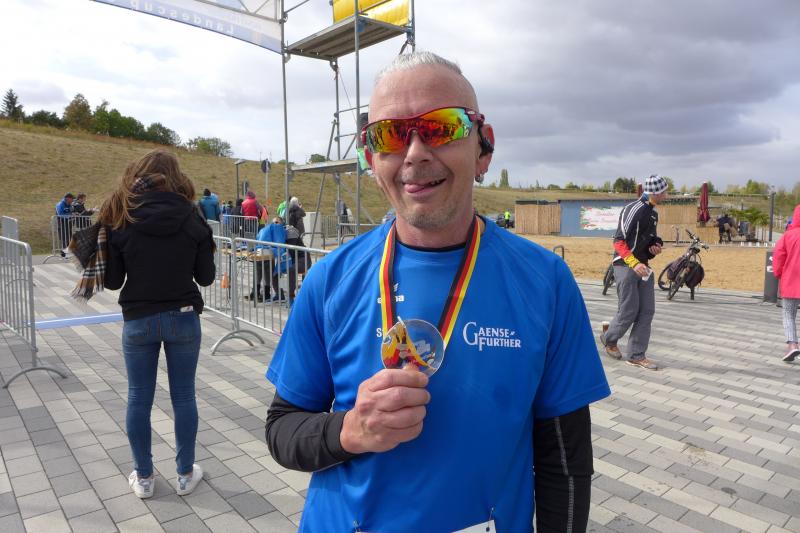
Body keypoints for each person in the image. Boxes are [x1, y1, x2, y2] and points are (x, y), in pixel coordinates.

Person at [264, 51, 610, 532]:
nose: (414, 153)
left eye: (441, 127)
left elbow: (565, 460)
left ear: (483, 149)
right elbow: (282, 428)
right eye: (389, 134)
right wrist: (350, 429)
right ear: (371, 159)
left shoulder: (546, 281)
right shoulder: (329, 280)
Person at [99, 149, 215, 499]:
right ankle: (185, 474)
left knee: (138, 398)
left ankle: (144, 478)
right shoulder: (192, 216)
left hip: (139, 318)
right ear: (176, 177)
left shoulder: (123, 216)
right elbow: (206, 277)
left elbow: (112, 281)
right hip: (183, 316)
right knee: (184, 396)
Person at [599, 174, 668, 370]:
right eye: (664, 192)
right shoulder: (633, 209)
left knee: (647, 311)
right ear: (654, 192)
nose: (666, 195)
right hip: (625, 265)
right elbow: (619, 241)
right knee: (629, 310)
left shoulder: (653, 214)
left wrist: (654, 247)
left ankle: (636, 355)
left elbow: (648, 241)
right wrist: (633, 263)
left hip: (643, 267)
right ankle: (609, 338)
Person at [772, 204, 800, 362]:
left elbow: (778, 257)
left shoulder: (788, 236)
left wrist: (778, 273)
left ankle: (793, 345)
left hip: (791, 281)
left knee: (789, 314)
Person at [247, 217, 287, 302]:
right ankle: (259, 292)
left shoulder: (277, 229)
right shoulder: (271, 229)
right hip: (265, 251)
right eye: (273, 222)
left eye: (276, 222)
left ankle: (261, 293)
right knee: (261, 270)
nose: (274, 224)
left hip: (267, 252)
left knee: (265, 271)